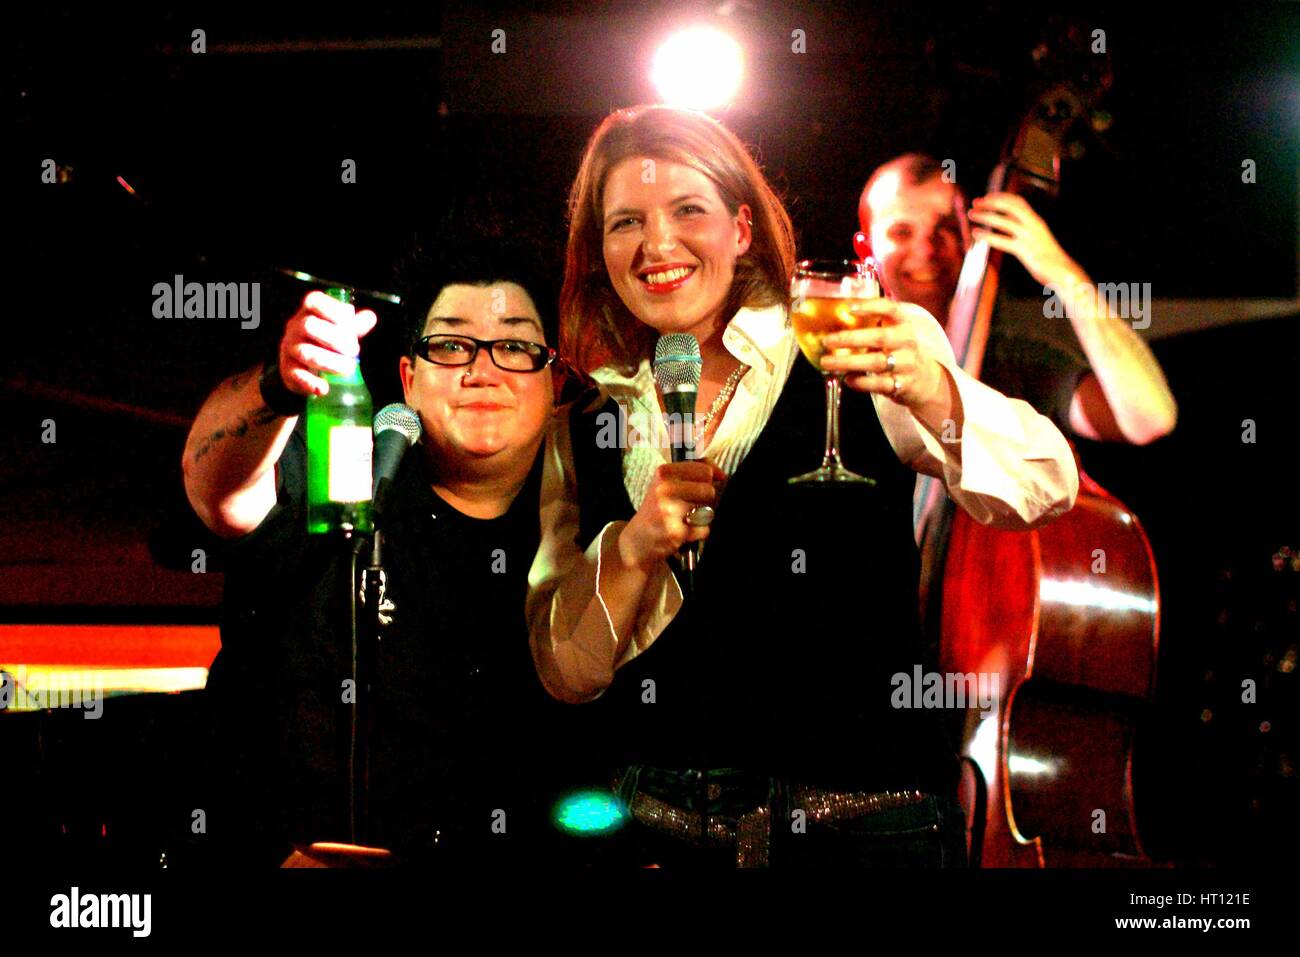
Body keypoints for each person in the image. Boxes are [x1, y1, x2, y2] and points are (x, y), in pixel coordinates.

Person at [526, 105, 1080, 868]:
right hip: (658, 834)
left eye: (689, 209)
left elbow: (1046, 486)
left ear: (742, 228)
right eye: (625, 222)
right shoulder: (584, 416)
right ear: (599, 250)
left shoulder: (859, 339)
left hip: (869, 833)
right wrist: (631, 548)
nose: (657, 243)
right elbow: (567, 674)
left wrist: (933, 391)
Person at [169, 237, 578, 865]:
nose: (483, 369)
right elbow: (216, 494)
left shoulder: (582, 533)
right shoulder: (345, 472)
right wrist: (281, 383)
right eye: (450, 344)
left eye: (516, 345)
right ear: (409, 381)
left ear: (554, 381)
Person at [858, 153, 1178, 445]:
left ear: (972, 239)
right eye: (901, 232)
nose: (926, 250)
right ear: (866, 248)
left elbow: (1149, 418)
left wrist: (1064, 274)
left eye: (947, 229)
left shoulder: (1014, 359)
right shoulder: (843, 358)